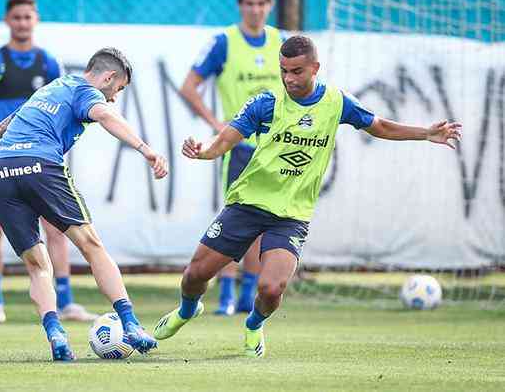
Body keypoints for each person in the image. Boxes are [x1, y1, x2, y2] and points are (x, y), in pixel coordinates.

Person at [154, 35, 462, 358]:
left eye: (297, 71)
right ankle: (187, 311)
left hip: (291, 215)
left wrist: (426, 133)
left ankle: (254, 324)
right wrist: (202, 152)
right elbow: (224, 142)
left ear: (315, 67)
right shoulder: (266, 103)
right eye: (284, 71)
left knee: (271, 290)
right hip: (247, 204)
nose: (289, 79)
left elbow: (380, 126)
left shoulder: (337, 102)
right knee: (194, 276)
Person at [0, 47, 166, 361]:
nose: (113, 98)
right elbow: (106, 115)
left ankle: (56, 334)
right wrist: (145, 149)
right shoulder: (85, 91)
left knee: (37, 265)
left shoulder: (49, 89)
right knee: (91, 245)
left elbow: (0, 129)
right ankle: (132, 325)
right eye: (117, 89)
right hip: (40, 164)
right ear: (108, 77)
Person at [0, 0, 96, 323]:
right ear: (7, 21)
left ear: (36, 20)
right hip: (1, 159)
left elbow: (66, 113)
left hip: (42, 160)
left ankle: (66, 300)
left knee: (57, 230)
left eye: (28, 17)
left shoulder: (48, 63)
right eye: (17, 17)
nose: (22, 23)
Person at [180, 0, 286, 315]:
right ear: (240, 6)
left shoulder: (280, 42)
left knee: (265, 221)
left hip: (275, 148)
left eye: (261, 4)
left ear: (268, 6)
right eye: (249, 3)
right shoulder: (223, 42)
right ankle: (225, 293)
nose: (255, 10)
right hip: (239, 148)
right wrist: (217, 125)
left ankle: (245, 295)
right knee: (235, 219)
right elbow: (189, 86)